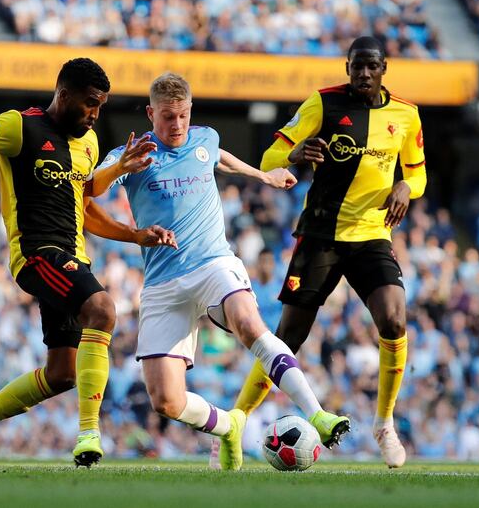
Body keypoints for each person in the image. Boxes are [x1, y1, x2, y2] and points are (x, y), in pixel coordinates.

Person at [0, 58, 173, 468]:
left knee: (62, 374)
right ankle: (89, 433)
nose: (95, 115)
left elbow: (84, 200)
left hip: (74, 258)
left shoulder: (89, 143)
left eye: (101, 107)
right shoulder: (18, 126)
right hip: (37, 255)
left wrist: (132, 227)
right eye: (90, 104)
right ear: (63, 94)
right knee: (102, 308)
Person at [90, 72, 351, 471]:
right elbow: (91, 188)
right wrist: (119, 166)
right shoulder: (133, 152)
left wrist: (263, 175)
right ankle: (229, 425)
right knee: (166, 400)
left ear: (189, 111)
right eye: (166, 117)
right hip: (163, 280)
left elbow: (220, 157)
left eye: (181, 116)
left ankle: (318, 415)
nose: (175, 126)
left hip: (213, 262)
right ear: (149, 113)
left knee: (249, 323)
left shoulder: (204, 138)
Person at [229, 36, 427, 468]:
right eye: (356, 66)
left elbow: (418, 174)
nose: (363, 74)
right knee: (288, 338)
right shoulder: (322, 104)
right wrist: (296, 154)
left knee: (394, 318)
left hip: (372, 233)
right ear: (347, 66)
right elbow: (270, 158)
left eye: (371, 67)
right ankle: (237, 421)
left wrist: (404, 187)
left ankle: (384, 423)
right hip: (320, 232)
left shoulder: (406, 115)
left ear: (383, 68)